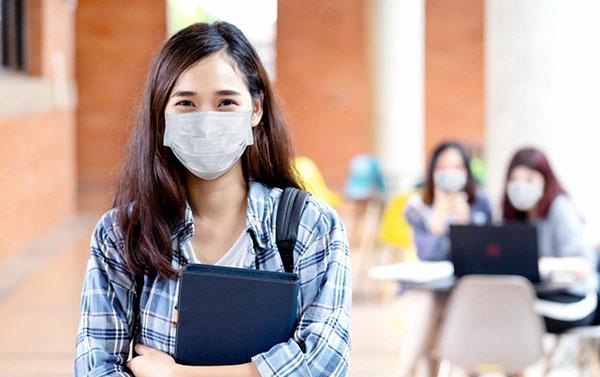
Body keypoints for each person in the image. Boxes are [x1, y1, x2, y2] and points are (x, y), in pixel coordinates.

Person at [74, 22, 351, 377]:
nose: (206, 122)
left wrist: (177, 375)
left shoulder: (312, 226)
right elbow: (94, 368)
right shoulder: (121, 234)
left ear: (256, 109)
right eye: (186, 103)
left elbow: (325, 363)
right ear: (162, 115)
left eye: (226, 102)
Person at [502, 147, 597, 333]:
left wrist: (543, 265)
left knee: (508, 314)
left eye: (529, 179)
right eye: (514, 180)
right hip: (538, 295)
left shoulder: (560, 207)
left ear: (545, 180)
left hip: (574, 298)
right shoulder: (517, 217)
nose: (521, 186)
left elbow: (584, 264)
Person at [405, 141, 493, 261]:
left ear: (467, 172)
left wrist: (466, 225)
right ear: (432, 171)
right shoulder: (417, 207)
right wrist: (438, 219)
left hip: (469, 278)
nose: (450, 173)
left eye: (457, 167)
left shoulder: (481, 203)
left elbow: (486, 254)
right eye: (443, 167)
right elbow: (426, 256)